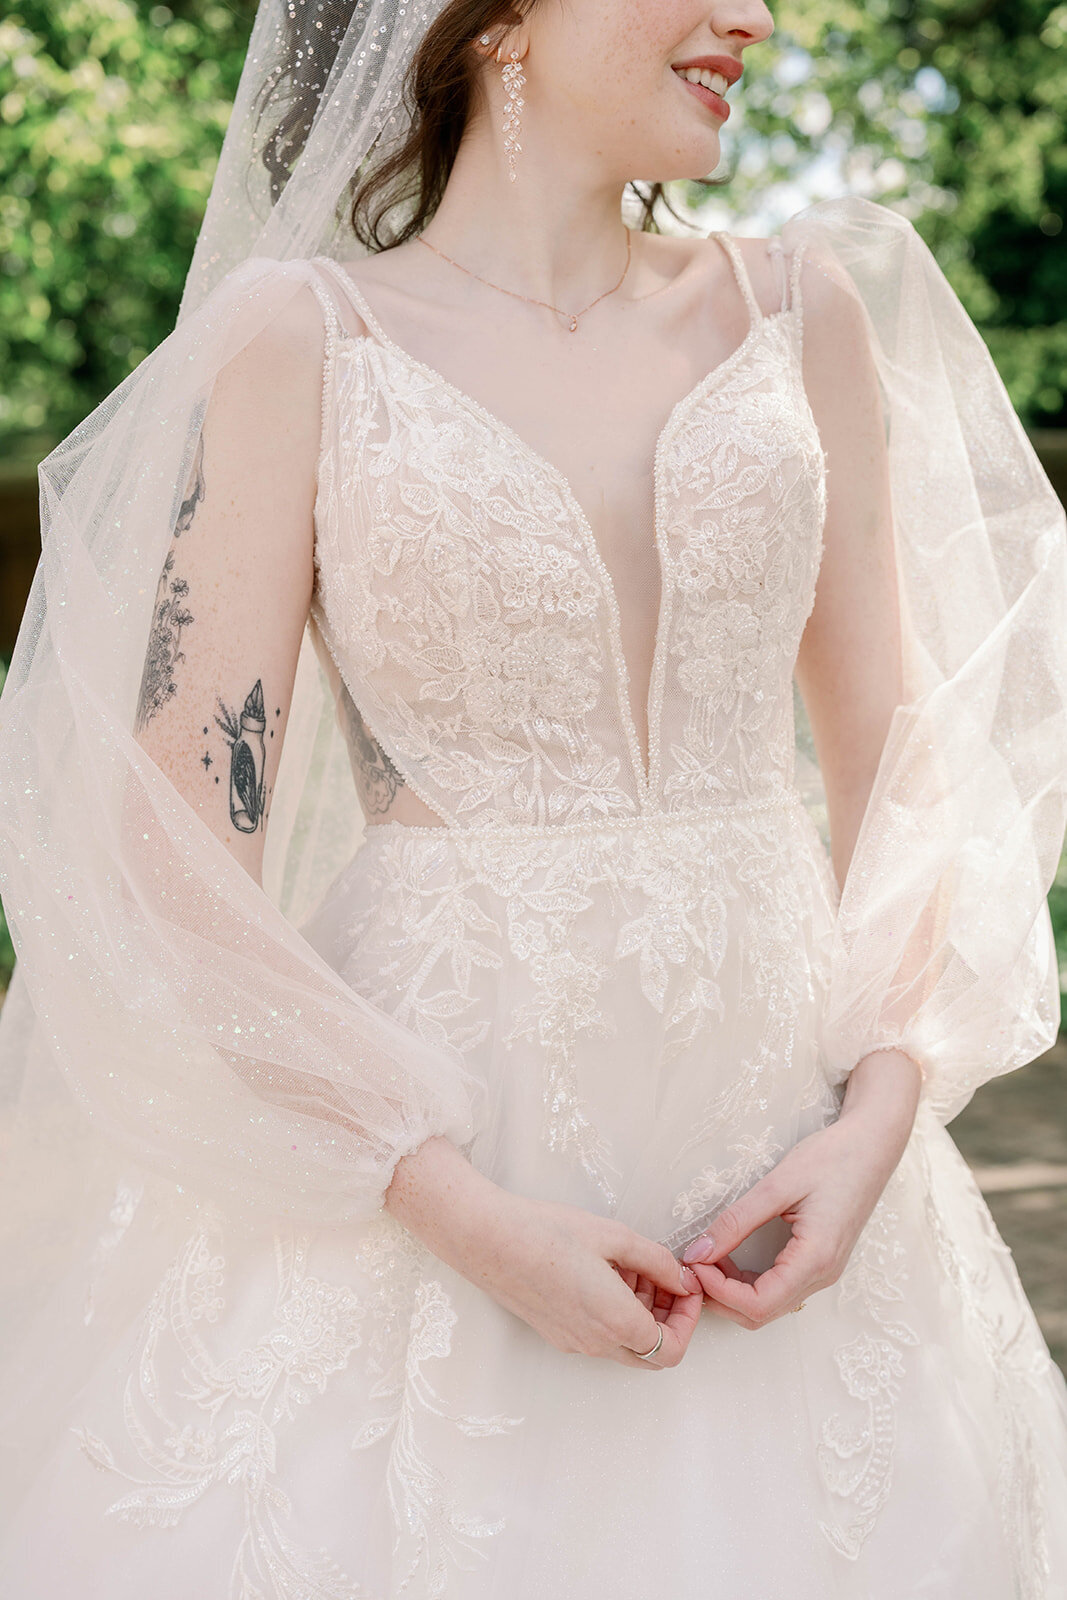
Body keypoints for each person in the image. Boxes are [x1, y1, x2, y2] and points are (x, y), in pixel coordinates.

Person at [1, 0, 1066, 1593]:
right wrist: (451, 1209)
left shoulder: (800, 317)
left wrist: (882, 1114)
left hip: (797, 1178)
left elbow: (905, 764)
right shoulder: (301, 341)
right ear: (494, 21)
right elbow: (169, 846)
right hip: (431, 1168)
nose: (752, 19)